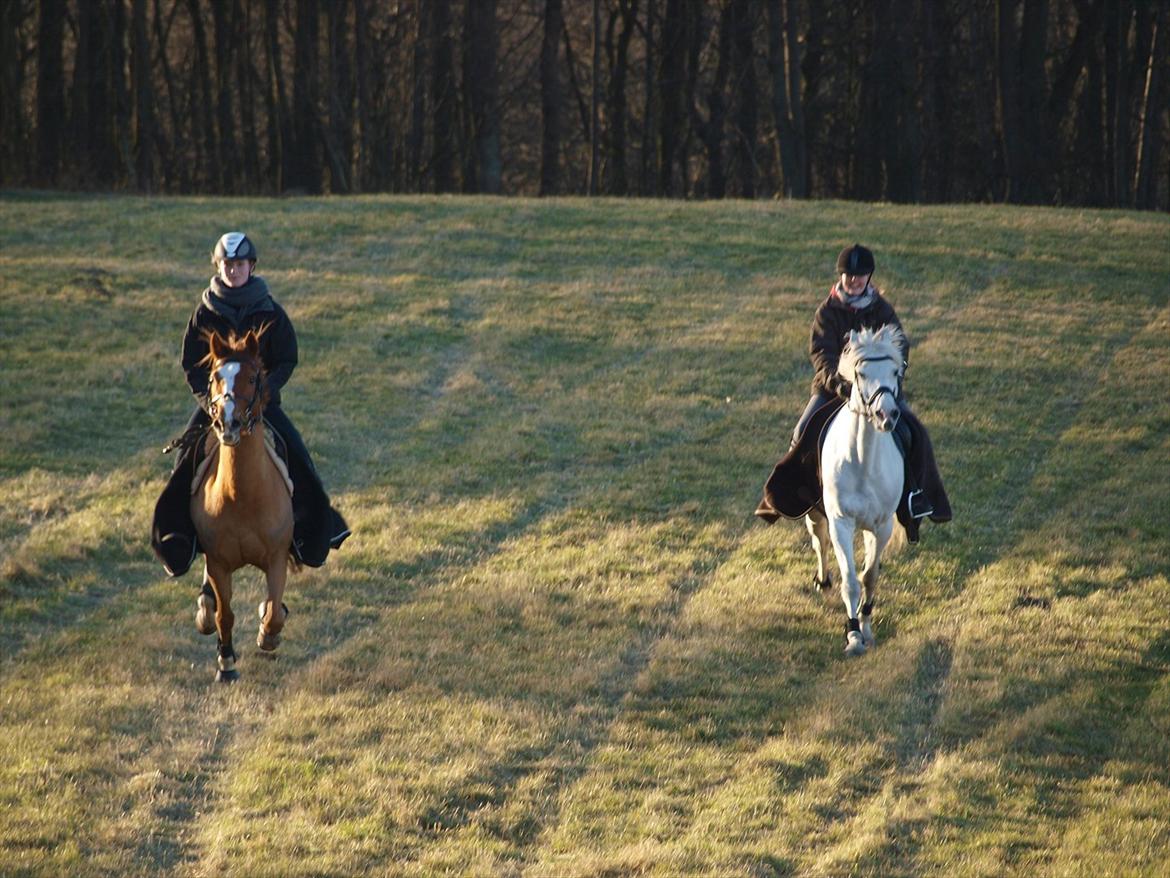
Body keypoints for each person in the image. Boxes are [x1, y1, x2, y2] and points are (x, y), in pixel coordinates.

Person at [151, 232, 350, 578]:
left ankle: (312, 532)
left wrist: (263, 393)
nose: (233, 270)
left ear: (251, 266)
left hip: (261, 405)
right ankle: (180, 538)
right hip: (217, 408)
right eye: (227, 264)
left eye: (239, 264)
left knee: (298, 454)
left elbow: (287, 358)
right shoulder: (204, 313)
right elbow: (190, 366)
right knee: (186, 462)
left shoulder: (271, 311)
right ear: (218, 266)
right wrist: (209, 403)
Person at [788, 243, 951, 534]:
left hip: (877, 391)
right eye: (849, 275)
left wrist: (893, 376)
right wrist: (838, 384)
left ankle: (914, 497)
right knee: (802, 431)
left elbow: (900, 344)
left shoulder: (882, 309)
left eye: (860, 275)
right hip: (834, 390)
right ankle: (801, 493)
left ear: (869, 277)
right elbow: (821, 354)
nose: (854, 280)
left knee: (915, 433)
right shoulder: (827, 312)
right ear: (841, 277)